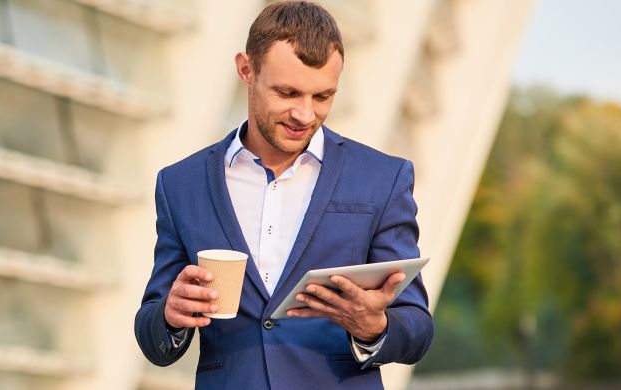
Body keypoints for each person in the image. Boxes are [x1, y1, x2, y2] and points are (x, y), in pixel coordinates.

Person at [134, 1, 433, 388]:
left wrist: (374, 327)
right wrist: (170, 316)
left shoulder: (383, 178)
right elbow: (153, 334)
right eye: (288, 93)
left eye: (322, 97)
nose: (305, 115)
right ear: (246, 70)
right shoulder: (180, 184)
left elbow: (417, 327)